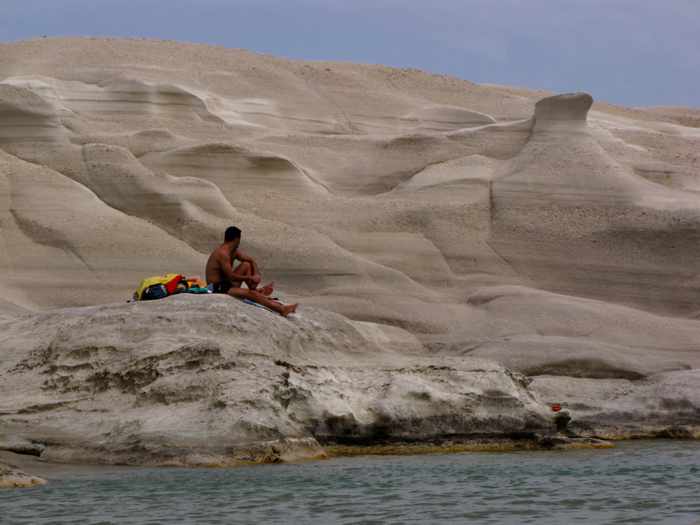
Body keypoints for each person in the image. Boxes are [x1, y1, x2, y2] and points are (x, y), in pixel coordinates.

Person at [205, 226, 298, 317]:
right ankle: (282, 309)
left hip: (226, 284)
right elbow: (231, 276)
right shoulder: (223, 253)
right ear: (237, 239)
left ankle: (254, 289)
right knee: (251, 294)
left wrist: (256, 275)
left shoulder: (233, 251)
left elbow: (250, 260)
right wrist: (250, 277)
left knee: (246, 265)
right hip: (217, 288)